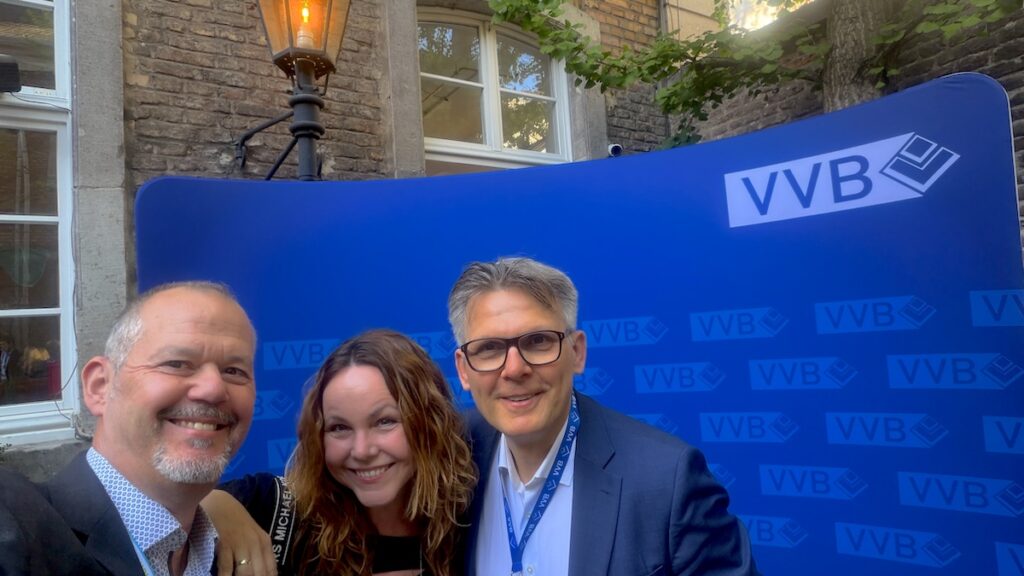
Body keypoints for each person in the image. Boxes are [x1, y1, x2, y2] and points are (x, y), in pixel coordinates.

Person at [449, 257, 758, 576]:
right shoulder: (450, 455)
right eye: (489, 348)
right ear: (463, 369)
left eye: (538, 341)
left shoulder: (668, 482)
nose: (514, 369)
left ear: (577, 353)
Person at [0, 281, 260, 576]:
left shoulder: (242, 547)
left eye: (234, 371)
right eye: (177, 363)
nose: (214, 389)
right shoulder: (16, 528)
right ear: (100, 387)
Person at [205, 329, 476, 576]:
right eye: (339, 427)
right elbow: (171, 507)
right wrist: (213, 504)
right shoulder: (268, 510)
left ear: (430, 424)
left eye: (385, 422)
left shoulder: (471, 524)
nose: (362, 450)